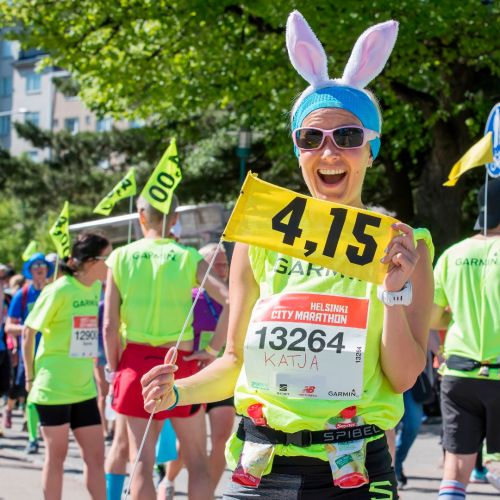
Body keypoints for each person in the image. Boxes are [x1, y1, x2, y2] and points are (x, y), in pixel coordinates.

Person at [141, 11, 434, 499]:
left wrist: (393, 293)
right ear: (297, 149)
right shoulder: (259, 237)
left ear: (372, 148)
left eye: (348, 137)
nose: (329, 153)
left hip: (354, 471)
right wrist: (177, 392)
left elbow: (402, 376)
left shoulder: (404, 244)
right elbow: (235, 361)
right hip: (260, 467)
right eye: (310, 138)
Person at [104, 195, 229, 500]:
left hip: (135, 362)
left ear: (141, 216)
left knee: (141, 463)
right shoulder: (187, 256)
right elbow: (230, 298)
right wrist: (213, 350)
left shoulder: (121, 256)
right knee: (197, 461)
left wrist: (114, 369)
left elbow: (109, 325)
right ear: (174, 219)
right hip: (179, 362)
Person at [22, 233, 111, 500]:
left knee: (96, 456)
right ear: (92, 261)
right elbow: (28, 332)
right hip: (54, 387)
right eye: (108, 258)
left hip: (83, 387)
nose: (111, 264)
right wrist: (29, 378)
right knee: (57, 456)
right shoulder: (59, 289)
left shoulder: (95, 288)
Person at [430, 177, 500, 499]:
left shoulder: (452, 255)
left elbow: (432, 318)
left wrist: (456, 318)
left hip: (458, 375)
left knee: (456, 470)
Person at [160, 243, 235, 499]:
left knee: (222, 438)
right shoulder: (191, 297)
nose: (222, 270)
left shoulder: (236, 296)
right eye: (216, 265)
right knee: (190, 446)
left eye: (225, 264)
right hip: (194, 376)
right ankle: (168, 479)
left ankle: (206, 493)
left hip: (223, 376)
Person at [3, 253, 53, 451]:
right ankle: (33, 438)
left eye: (43, 265)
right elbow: (8, 327)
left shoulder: (53, 292)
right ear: (30, 271)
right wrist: (29, 328)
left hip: (52, 352)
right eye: (35, 265)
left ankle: (46, 433)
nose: (39, 268)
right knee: (30, 394)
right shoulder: (22, 295)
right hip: (29, 353)